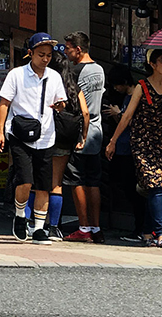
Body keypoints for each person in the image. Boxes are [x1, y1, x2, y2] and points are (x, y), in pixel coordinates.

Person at [105, 49, 162, 248]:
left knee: (157, 187)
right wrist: (113, 141)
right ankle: (161, 233)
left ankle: (147, 231)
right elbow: (127, 116)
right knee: (156, 185)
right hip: (144, 143)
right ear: (153, 64)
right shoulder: (141, 86)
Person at [0, 32, 68, 243]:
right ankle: (20, 216)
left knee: (44, 185)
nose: (45, 59)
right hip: (19, 134)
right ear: (30, 53)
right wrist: (0, 132)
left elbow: (61, 102)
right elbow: (4, 103)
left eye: (48, 55)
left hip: (46, 135)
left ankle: (38, 228)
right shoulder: (16, 75)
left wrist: (61, 106)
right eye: (41, 54)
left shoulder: (53, 77)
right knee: (25, 181)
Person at [62, 32, 106, 243]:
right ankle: (96, 228)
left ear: (78, 50)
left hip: (80, 129)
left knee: (76, 179)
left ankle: (84, 227)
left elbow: (77, 105)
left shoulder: (75, 71)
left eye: (68, 48)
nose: (65, 52)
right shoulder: (99, 69)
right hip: (97, 131)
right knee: (94, 181)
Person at [44, 47, 89, 239]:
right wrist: (83, 137)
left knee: (39, 183)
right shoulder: (73, 87)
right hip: (65, 138)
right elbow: (85, 112)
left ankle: (36, 223)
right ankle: (55, 227)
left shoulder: (47, 84)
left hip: (46, 136)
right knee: (57, 183)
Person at [103, 65, 149, 242]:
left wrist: (120, 113)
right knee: (125, 186)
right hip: (122, 147)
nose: (115, 88)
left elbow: (134, 123)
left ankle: (140, 228)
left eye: (116, 84)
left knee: (133, 190)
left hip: (130, 150)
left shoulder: (135, 97)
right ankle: (139, 227)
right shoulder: (126, 97)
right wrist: (117, 116)